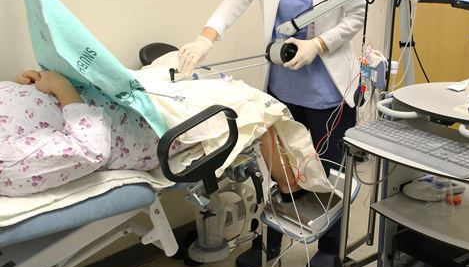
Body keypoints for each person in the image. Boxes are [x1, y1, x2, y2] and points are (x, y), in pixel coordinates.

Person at [177, 0, 365, 267]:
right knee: (277, 170)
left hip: (328, 88)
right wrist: (205, 38)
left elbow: (356, 13)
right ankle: (270, 242)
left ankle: (330, 247)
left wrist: (321, 45)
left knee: (324, 172)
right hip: (281, 87)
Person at [0, 70, 303, 198]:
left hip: (120, 95)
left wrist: (28, 83)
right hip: (144, 126)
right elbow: (90, 150)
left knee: (215, 82)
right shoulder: (9, 163)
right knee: (254, 105)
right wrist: (60, 87)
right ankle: (291, 189)